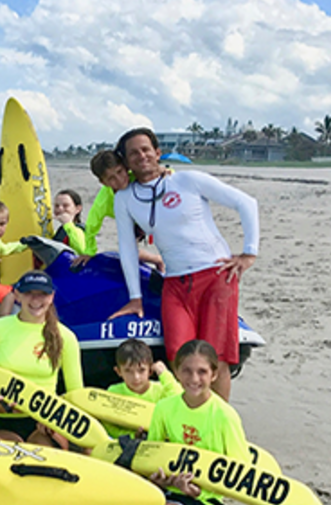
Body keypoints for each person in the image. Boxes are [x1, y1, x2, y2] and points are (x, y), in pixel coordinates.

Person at [109, 128, 260, 401]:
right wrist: (135, 297)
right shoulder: (125, 199)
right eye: (133, 153)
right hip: (175, 283)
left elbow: (246, 203)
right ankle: (186, 422)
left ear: (157, 153)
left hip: (216, 276)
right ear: (127, 162)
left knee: (215, 359)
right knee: (179, 359)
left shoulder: (188, 180)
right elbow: (127, 249)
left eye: (145, 149)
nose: (141, 156)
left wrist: (249, 253)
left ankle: (216, 423)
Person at [123, 339, 252, 505]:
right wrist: (160, 480)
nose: (194, 379)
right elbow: (154, 454)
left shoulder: (225, 416)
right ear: (176, 372)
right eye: (187, 371)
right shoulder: (164, 408)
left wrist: (198, 490)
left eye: (202, 372)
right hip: (165, 489)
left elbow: (240, 473)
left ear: (214, 374)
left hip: (202, 498)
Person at [0, 271, 83, 448]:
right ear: (17, 295)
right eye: (29, 293)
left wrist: (55, 420)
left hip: (44, 420)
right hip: (2, 418)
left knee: (42, 451)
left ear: (52, 297)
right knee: (2, 447)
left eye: (42, 294)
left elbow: (76, 394)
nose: (35, 300)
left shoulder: (66, 337)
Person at [74, 151, 165, 270]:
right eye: (111, 178)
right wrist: (89, 252)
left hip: (154, 215)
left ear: (126, 167)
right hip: (132, 222)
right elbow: (91, 226)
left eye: (120, 172)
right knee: (127, 254)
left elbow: (162, 174)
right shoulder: (103, 200)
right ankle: (158, 260)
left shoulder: (138, 177)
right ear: (103, 182)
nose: (119, 179)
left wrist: (165, 173)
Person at [103, 338, 182, 439]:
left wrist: (165, 374)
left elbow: (180, 401)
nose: (136, 377)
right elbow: (109, 427)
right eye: (128, 371)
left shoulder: (162, 389)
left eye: (141, 370)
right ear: (118, 371)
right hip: (127, 446)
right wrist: (131, 436)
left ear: (150, 370)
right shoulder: (113, 392)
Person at [51, 189, 87, 255]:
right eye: (56, 206)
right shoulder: (56, 232)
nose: (60, 209)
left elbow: (82, 250)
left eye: (65, 205)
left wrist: (68, 223)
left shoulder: (81, 230)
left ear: (78, 209)